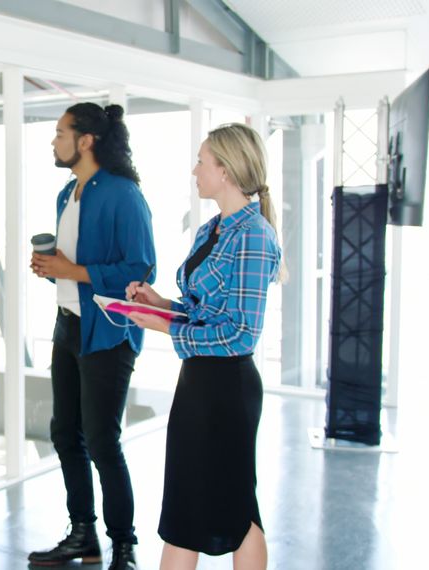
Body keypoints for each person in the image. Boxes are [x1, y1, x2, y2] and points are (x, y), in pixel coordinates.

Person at [124, 122, 282, 570]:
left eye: (202, 160)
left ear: (226, 171)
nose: (195, 170)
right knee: (185, 508)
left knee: (236, 511)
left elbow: (241, 333)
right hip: (198, 382)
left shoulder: (253, 235)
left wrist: (163, 328)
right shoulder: (212, 229)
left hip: (227, 386)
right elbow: (204, 313)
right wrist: (162, 305)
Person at [29, 102, 156, 570]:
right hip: (68, 326)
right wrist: (53, 270)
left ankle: (124, 543)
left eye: (60, 133)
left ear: (86, 141)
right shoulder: (68, 194)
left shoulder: (124, 195)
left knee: (102, 440)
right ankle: (82, 533)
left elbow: (140, 267)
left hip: (108, 333)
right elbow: (75, 270)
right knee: (66, 433)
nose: (54, 141)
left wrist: (73, 270)